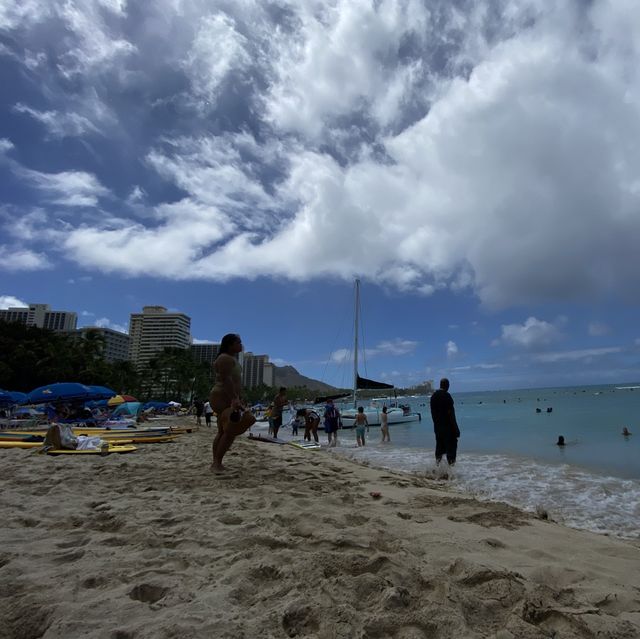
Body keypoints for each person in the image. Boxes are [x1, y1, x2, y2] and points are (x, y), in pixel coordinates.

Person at [209, 333, 255, 473]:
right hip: (224, 396)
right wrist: (234, 399)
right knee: (230, 431)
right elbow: (227, 380)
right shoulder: (225, 358)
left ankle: (216, 463)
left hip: (227, 396)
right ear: (230, 345)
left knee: (223, 431)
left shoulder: (229, 358)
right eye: (238, 342)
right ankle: (217, 464)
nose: (241, 345)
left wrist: (238, 397)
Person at [430, 378, 460, 466]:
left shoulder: (433, 397)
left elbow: (433, 414)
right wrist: (456, 428)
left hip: (438, 428)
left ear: (440, 385)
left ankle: (437, 468)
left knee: (439, 449)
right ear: (447, 385)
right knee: (451, 451)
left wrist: (436, 425)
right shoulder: (447, 396)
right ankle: (451, 472)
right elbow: (451, 414)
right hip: (448, 428)